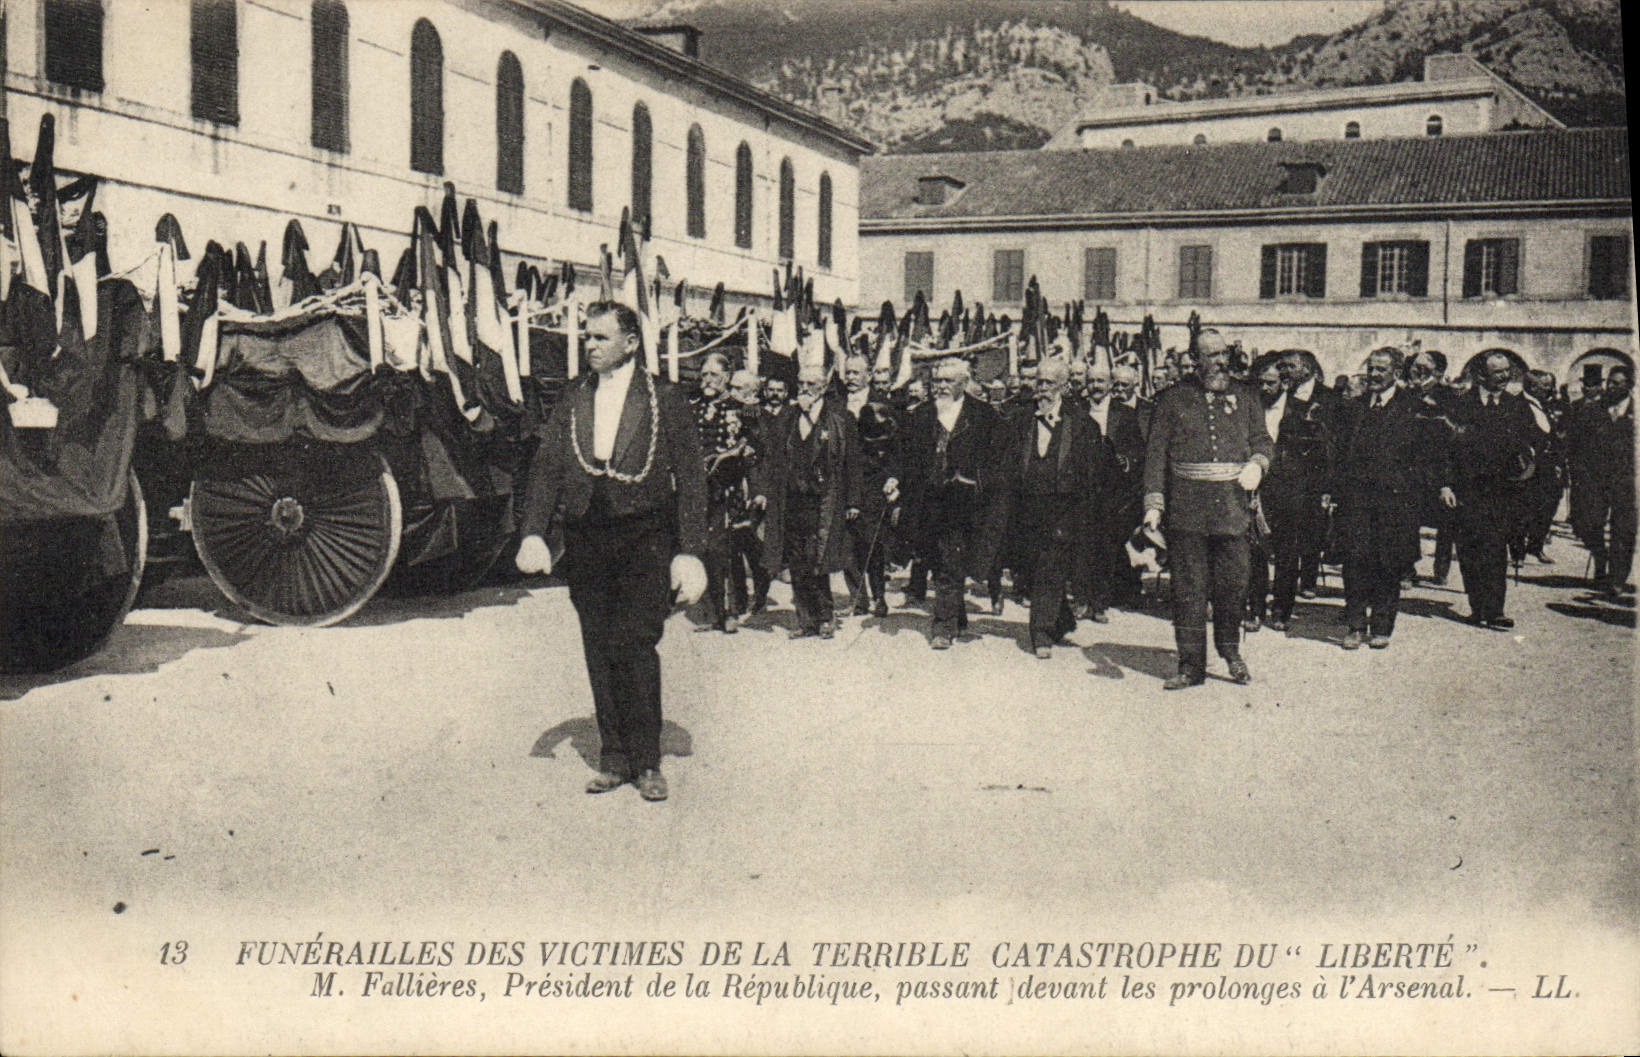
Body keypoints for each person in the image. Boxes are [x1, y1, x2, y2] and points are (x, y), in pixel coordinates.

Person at [515, 301, 707, 802]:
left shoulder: (664, 397)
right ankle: (614, 757)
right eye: (588, 337)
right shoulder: (573, 396)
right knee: (598, 647)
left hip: (645, 539)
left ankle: (647, 762)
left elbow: (691, 478)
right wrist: (534, 530)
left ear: (630, 342)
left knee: (636, 646)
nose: (590, 346)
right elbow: (548, 467)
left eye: (601, 338)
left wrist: (690, 551)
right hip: (587, 539)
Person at [1142, 329, 1273, 689]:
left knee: (1233, 587)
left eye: (1222, 354)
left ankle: (1231, 652)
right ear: (1196, 359)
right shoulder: (1172, 399)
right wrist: (1154, 503)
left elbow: (1263, 440)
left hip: (1232, 510)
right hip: (1187, 511)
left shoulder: (1246, 396)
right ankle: (1190, 666)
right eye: (1210, 355)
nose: (1219, 361)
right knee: (1189, 591)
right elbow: (1156, 457)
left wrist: (1258, 464)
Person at [1332, 348, 1454, 649]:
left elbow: (1431, 454)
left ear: (1396, 373)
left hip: (1396, 501)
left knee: (1388, 564)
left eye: (1381, 370)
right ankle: (1356, 625)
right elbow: (1339, 453)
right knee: (1355, 560)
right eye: (1371, 368)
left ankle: (1382, 627)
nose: (1374, 375)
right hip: (1357, 500)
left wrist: (1435, 486)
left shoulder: (1413, 407)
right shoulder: (1355, 407)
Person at [751, 362, 864, 640]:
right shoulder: (787, 416)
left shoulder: (840, 417)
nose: (805, 389)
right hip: (791, 501)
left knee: (819, 560)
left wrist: (853, 501)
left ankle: (825, 617)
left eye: (811, 384)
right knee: (796, 561)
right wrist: (765, 490)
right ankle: (805, 620)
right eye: (801, 384)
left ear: (824, 387)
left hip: (824, 501)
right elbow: (771, 458)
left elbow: (853, 462)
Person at [901, 357, 1008, 650]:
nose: (941, 386)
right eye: (937, 380)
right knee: (939, 562)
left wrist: (975, 479)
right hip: (928, 503)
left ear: (964, 383)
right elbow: (907, 457)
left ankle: (942, 628)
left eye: (948, 381)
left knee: (951, 561)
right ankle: (957, 617)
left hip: (965, 505)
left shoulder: (985, 416)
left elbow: (998, 460)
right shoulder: (921, 415)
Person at [1011, 357, 1110, 657]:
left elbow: (1092, 475)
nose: (1041, 389)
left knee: (1050, 567)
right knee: (1030, 568)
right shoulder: (1019, 418)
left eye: (1048, 384)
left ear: (1064, 387)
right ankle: (1060, 618)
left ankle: (1040, 634)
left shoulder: (1083, 425)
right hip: (1026, 508)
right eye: (1038, 382)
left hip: (1063, 511)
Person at [1446, 350, 1540, 629]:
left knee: (1496, 549)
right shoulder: (1460, 405)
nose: (1505, 376)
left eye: (1507, 370)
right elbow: (1445, 449)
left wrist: (1526, 469)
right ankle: (1478, 607)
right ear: (1480, 375)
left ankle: (1495, 609)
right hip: (1467, 491)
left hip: (1502, 491)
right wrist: (1446, 484)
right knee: (1470, 550)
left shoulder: (1517, 405)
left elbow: (1531, 441)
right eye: (1497, 372)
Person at [1566, 364, 1636, 594]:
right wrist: (1578, 471)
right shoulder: (1593, 409)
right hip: (1594, 480)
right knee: (1587, 523)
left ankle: (1616, 579)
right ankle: (1600, 555)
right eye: (1610, 382)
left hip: (1627, 482)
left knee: (1624, 531)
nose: (1611, 387)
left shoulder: (1636, 412)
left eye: (1618, 383)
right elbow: (1576, 444)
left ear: (1630, 386)